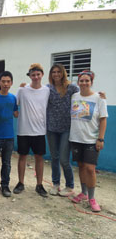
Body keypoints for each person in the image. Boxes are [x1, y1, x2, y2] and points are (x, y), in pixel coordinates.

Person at [70, 70, 107, 212]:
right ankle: (83, 193)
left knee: (90, 169)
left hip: (91, 140)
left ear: (91, 82)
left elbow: (103, 120)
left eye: (87, 80)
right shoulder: (74, 96)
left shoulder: (99, 98)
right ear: (78, 82)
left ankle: (92, 198)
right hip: (76, 138)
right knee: (81, 166)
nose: (84, 83)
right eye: (82, 80)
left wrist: (101, 138)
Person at [13, 63, 50, 197]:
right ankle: (20, 182)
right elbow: (14, 104)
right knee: (22, 156)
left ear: (42, 75)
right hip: (23, 130)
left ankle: (39, 185)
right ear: (30, 76)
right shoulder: (22, 90)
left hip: (40, 130)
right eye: (33, 75)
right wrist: (15, 112)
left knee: (39, 157)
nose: (35, 77)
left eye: (38, 74)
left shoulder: (47, 90)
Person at [46, 64, 79, 197]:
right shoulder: (48, 88)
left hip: (67, 128)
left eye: (58, 71)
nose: (56, 74)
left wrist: (100, 97)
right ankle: (56, 184)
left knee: (64, 159)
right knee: (54, 157)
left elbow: (84, 96)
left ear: (63, 73)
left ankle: (70, 186)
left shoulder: (71, 88)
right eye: (53, 72)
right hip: (51, 128)